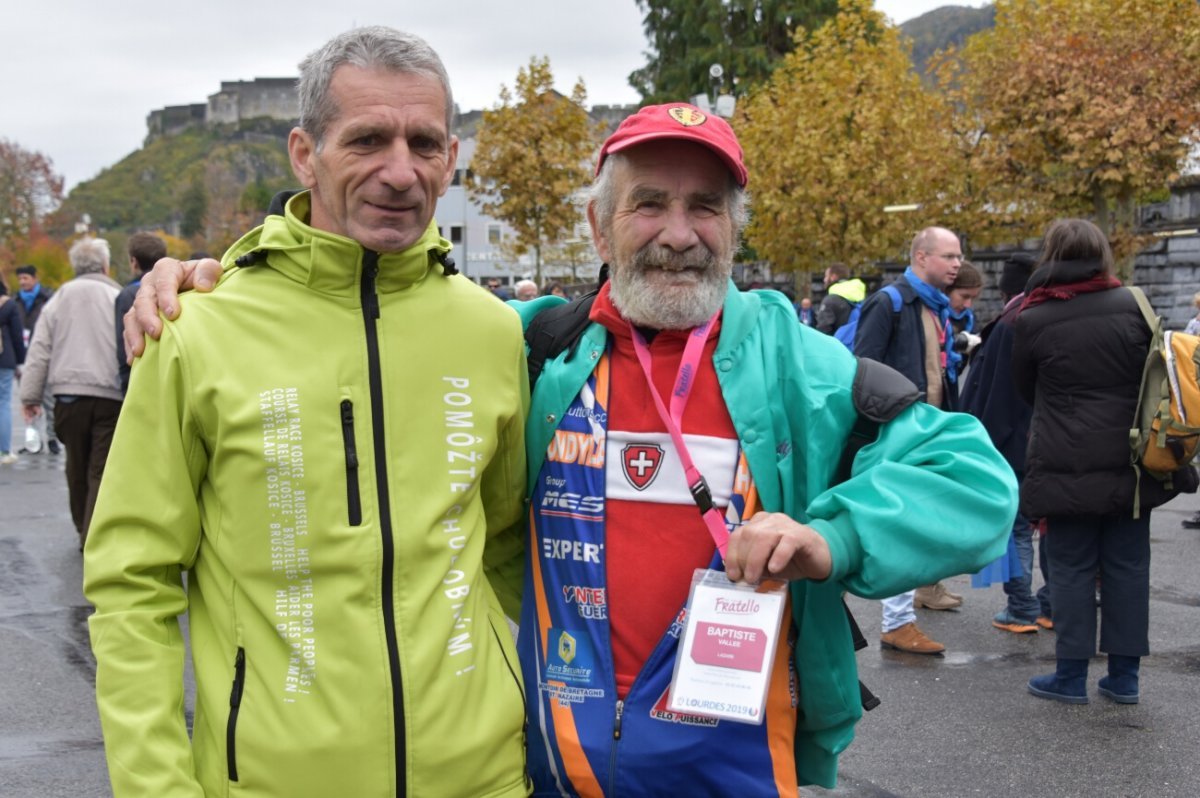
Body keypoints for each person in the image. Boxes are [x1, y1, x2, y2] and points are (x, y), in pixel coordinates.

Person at [127, 102, 1018, 794]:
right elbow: (367, 321)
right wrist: (222, 280)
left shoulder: (800, 366)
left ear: (735, 229)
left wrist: (838, 537)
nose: (679, 232)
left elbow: (974, 480)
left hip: (735, 771)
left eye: (706, 206)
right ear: (598, 228)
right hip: (543, 769)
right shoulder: (525, 348)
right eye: (649, 205)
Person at [86, 27, 530, 798]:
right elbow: (133, 585)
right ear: (304, 153)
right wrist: (156, 786)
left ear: (451, 158)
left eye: (424, 142)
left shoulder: (492, 331)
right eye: (366, 140)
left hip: (485, 779)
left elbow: (504, 543)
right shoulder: (197, 329)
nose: (400, 171)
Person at [1014, 218, 1182, 705]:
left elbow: (1025, 389)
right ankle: (1124, 678)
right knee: (1128, 567)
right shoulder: (1134, 304)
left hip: (1064, 459)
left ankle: (1069, 678)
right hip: (1132, 461)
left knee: (1068, 569)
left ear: (1051, 255)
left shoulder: (1033, 317)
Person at [854, 226, 967, 652]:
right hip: (898, 432)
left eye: (958, 256)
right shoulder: (891, 302)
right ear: (921, 257)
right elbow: (861, 365)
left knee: (911, 521)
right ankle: (896, 621)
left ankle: (902, 615)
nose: (957, 264)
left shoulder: (934, 306)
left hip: (924, 430)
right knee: (899, 524)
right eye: (949, 256)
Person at [19, 238, 122, 546]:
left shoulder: (59, 298)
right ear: (105, 265)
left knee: (75, 465)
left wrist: (30, 396)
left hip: (67, 396)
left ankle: (82, 528)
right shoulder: (116, 295)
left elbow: (40, 349)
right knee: (100, 469)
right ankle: (94, 536)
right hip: (110, 396)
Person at [960, 254, 1044, 633]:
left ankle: (1022, 605)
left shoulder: (1012, 322)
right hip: (1041, 438)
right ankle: (1046, 605)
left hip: (1011, 441)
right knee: (1045, 526)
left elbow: (996, 394)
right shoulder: (1042, 316)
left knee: (1016, 526)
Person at [14, 263, 59, 454]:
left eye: (26, 278)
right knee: (29, 399)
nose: (22, 282)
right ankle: (34, 441)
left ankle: (52, 438)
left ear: (34, 278)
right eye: (20, 279)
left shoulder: (48, 298)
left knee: (49, 400)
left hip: (46, 354)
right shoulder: (16, 302)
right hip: (24, 356)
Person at [114, 232, 167, 394]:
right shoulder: (176, 288)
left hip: (141, 382)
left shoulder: (128, 295)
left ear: (134, 262)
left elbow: (125, 348)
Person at [0, 280, 27, 464]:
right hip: (5, 358)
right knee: (3, 403)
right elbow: (18, 336)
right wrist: (20, 362)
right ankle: (4, 451)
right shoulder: (8, 305)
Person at [814, 262, 866, 334]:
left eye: (826, 276)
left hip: (838, 343)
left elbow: (823, 329)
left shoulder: (830, 299)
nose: (824, 280)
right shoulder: (860, 296)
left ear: (833, 277)